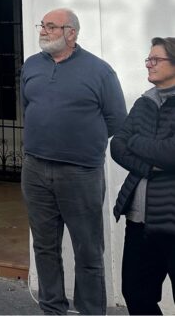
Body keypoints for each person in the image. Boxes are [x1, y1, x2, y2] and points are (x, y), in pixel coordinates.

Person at [20, 8, 127, 314]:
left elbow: (116, 120)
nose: (44, 30)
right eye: (43, 25)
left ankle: (91, 310)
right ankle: (52, 308)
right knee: (44, 247)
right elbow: (27, 107)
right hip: (35, 169)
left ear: (71, 33)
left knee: (88, 250)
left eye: (51, 26)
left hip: (80, 173)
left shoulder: (100, 71)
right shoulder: (31, 66)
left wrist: (78, 144)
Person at [111, 37, 175, 315]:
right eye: (148, 59)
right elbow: (117, 145)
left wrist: (136, 142)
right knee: (136, 294)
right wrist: (150, 165)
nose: (148, 64)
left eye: (155, 59)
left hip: (171, 220)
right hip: (138, 221)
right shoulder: (144, 102)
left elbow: (170, 154)